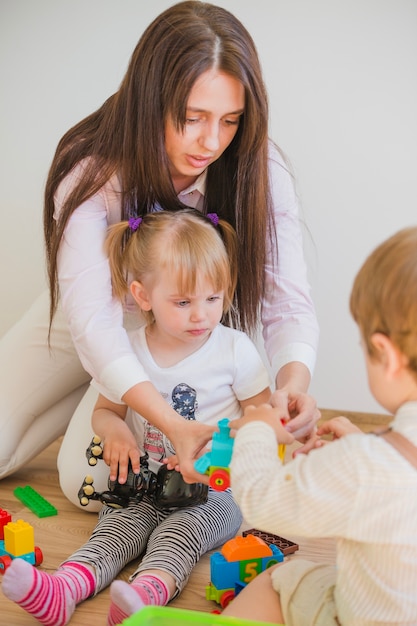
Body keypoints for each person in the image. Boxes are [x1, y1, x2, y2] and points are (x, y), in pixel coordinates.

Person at [0, 1, 319, 509]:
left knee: (88, 486)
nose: (211, 142)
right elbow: (93, 321)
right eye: (192, 118)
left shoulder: (261, 169)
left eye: (230, 121)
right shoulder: (91, 170)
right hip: (99, 309)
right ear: (150, 100)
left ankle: (96, 394)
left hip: (178, 330)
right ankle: (92, 386)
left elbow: (289, 301)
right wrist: (166, 421)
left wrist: (294, 384)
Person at [2, 208, 272, 626]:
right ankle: (64, 588)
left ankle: (145, 598)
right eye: (183, 302)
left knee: (178, 535)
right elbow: (107, 412)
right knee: (114, 530)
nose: (201, 314)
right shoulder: (127, 351)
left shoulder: (235, 351)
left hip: (213, 492)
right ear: (143, 296)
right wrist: (116, 435)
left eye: (213, 298)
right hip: (145, 481)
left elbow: (261, 415)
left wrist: (233, 444)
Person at [223, 226, 417, 624]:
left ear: (386, 353)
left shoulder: (365, 468)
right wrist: (369, 443)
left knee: (281, 577)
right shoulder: (374, 462)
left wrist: (256, 429)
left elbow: (264, 501)